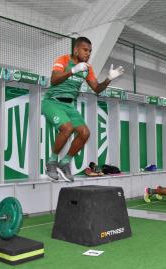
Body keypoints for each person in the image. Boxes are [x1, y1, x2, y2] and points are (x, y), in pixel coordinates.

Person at [42, 36, 124, 182]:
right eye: (85, 50)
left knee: (85, 133)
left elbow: (97, 89)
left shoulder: (87, 69)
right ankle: (51, 162)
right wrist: (72, 71)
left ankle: (65, 163)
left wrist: (109, 79)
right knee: (67, 128)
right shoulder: (63, 60)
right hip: (52, 102)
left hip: (69, 105)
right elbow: (54, 80)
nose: (88, 54)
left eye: (90, 51)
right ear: (76, 49)